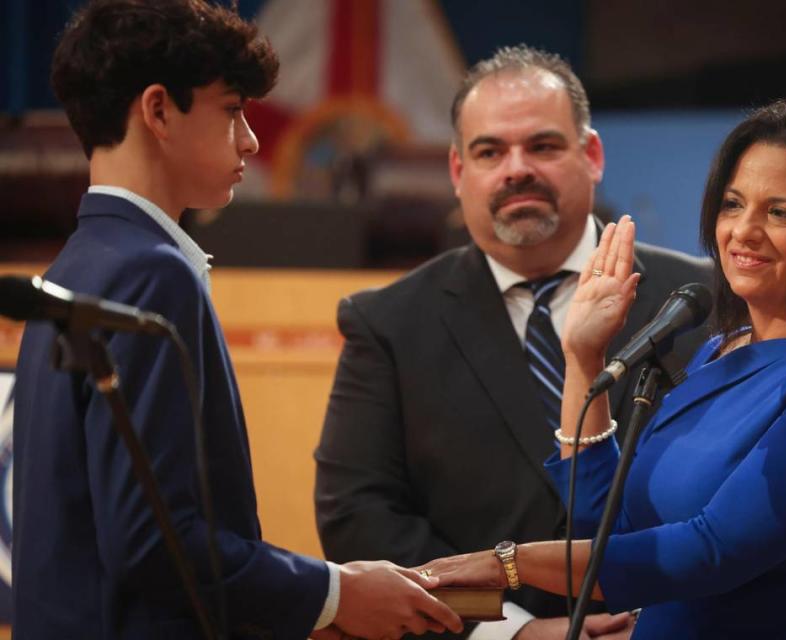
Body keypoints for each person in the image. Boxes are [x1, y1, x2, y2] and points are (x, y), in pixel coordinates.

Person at [12, 2, 462, 638]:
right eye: (231, 110)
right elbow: (152, 540)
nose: (252, 139)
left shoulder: (75, 267)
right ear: (159, 110)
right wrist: (336, 594)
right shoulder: (152, 274)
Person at [418, 99, 786, 639]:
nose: (743, 231)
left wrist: (505, 564)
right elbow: (604, 524)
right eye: (732, 204)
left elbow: (711, 552)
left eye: (780, 212)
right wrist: (582, 359)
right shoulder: (718, 350)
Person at [314, 45, 712, 639]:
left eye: (543, 146)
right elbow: (359, 517)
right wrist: (511, 632)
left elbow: (738, 491)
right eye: (490, 151)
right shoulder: (388, 324)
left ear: (592, 154)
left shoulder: (702, 300)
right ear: (457, 172)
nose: (517, 168)